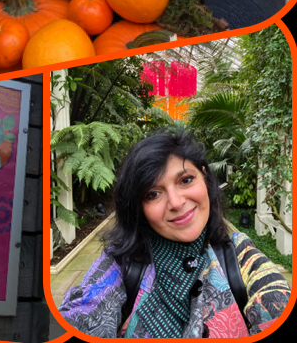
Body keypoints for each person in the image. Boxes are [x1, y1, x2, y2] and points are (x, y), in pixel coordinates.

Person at [58, 129, 290, 337]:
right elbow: (83, 314)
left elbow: (276, 298)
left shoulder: (238, 253)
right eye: (153, 194)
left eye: (186, 180)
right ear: (139, 208)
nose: (176, 203)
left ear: (205, 176)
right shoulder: (121, 263)